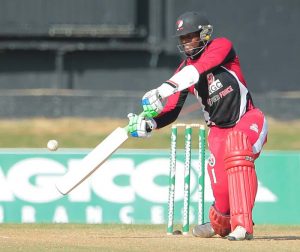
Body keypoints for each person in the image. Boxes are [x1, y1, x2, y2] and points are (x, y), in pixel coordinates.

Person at [127, 11, 268, 241]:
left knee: (238, 146)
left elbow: (199, 69)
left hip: (248, 120)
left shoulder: (222, 47)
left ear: (205, 34)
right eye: (183, 39)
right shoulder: (183, 72)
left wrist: (162, 89)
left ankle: (243, 226)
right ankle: (220, 223)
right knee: (222, 200)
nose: (187, 42)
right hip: (218, 133)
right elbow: (172, 110)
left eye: (191, 36)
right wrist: (150, 124)